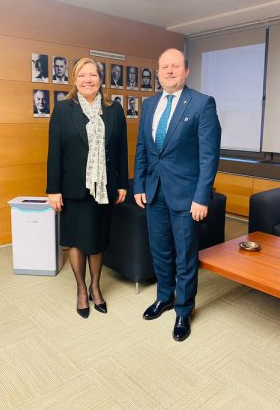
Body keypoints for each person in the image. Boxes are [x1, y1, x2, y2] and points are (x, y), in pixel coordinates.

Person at [133, 48, 221, 341]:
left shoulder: (202, 103)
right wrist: (139, 186)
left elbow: (209, 156)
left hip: (187, 195)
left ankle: (184, 309)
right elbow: (143, 149)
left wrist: (202, 197)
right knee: (160, 250)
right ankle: (164, 296)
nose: (169, 71)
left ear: (186, 71)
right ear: (158, 72)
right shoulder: (149, 105)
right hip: (154, 192)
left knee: (184, 255)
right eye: (164, 67)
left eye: (175, 66)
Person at [47, 57, 129, 319]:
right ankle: (81, 289)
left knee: (97, 239)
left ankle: (96, 286)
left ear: (100, 79)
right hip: (73, 188)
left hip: (104, 187)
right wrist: (53, 189)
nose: (88, 80)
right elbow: (54, 152)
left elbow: (121, 150)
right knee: (76, 240)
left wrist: (123, 183)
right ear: (75, 79)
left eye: (92, 75)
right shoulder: (63, 109)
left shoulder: (114, 110)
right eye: (82, 75)